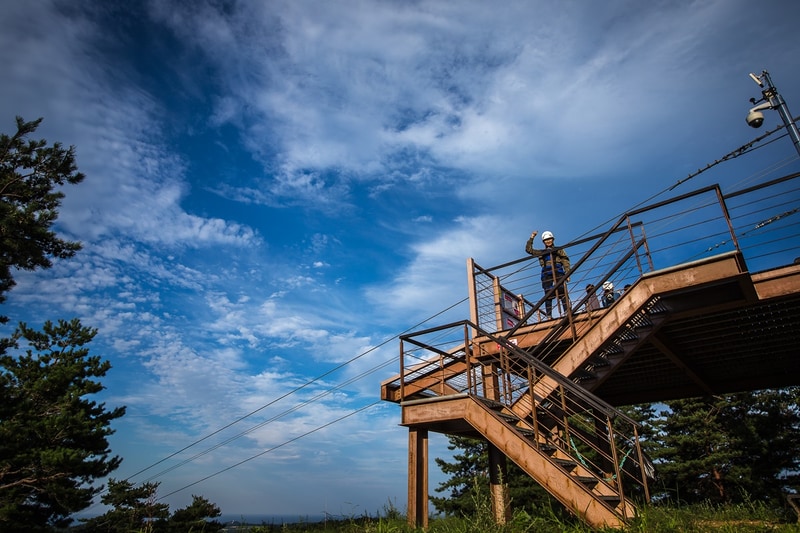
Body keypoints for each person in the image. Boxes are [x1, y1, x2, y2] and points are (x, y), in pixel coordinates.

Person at [526, 230, 570, 318]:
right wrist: (532, 237)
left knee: (562, 292)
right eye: (546, 240)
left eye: (550, 239)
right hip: (546, 273)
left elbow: (565, 260)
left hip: (558, 271)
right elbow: (529, 250)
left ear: (553, 239)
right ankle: (549, 315)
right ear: (543, 242)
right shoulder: (541, 252)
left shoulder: (559, 250)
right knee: (548, 294)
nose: (548, 241)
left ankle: (567, 311)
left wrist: (568, 273)